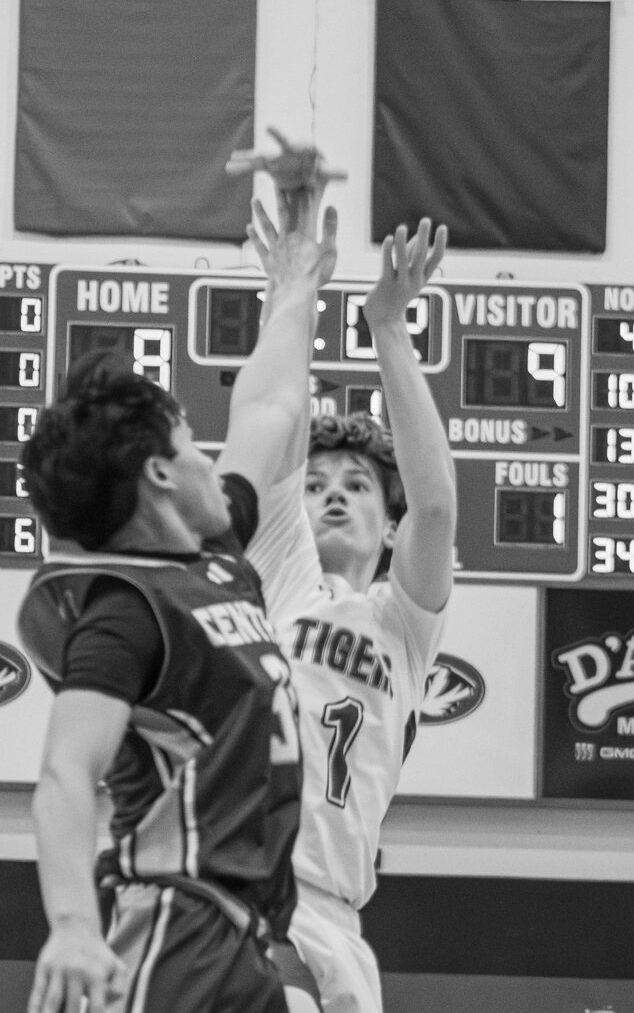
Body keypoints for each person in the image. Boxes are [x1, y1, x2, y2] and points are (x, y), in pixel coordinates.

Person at [15, 147, 337, 1013]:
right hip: (172, 929)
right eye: (193, 444)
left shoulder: (219, 552)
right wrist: (72, 925)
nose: (211, 459)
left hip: (241, 939)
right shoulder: (127, 612)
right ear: (159, 475)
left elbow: (269, 410)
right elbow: (63, 772)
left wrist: (300, 266)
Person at [235, 200, 455, 1013]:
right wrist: (288, 293)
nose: (332, 497)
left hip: (338, 917)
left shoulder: (402, 625)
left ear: (386, 523)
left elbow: (436, 508)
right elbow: (273, 428)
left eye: (356, 485)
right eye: (320, 486)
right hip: (250, 896)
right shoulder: (284, 578)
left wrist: (388, 329)